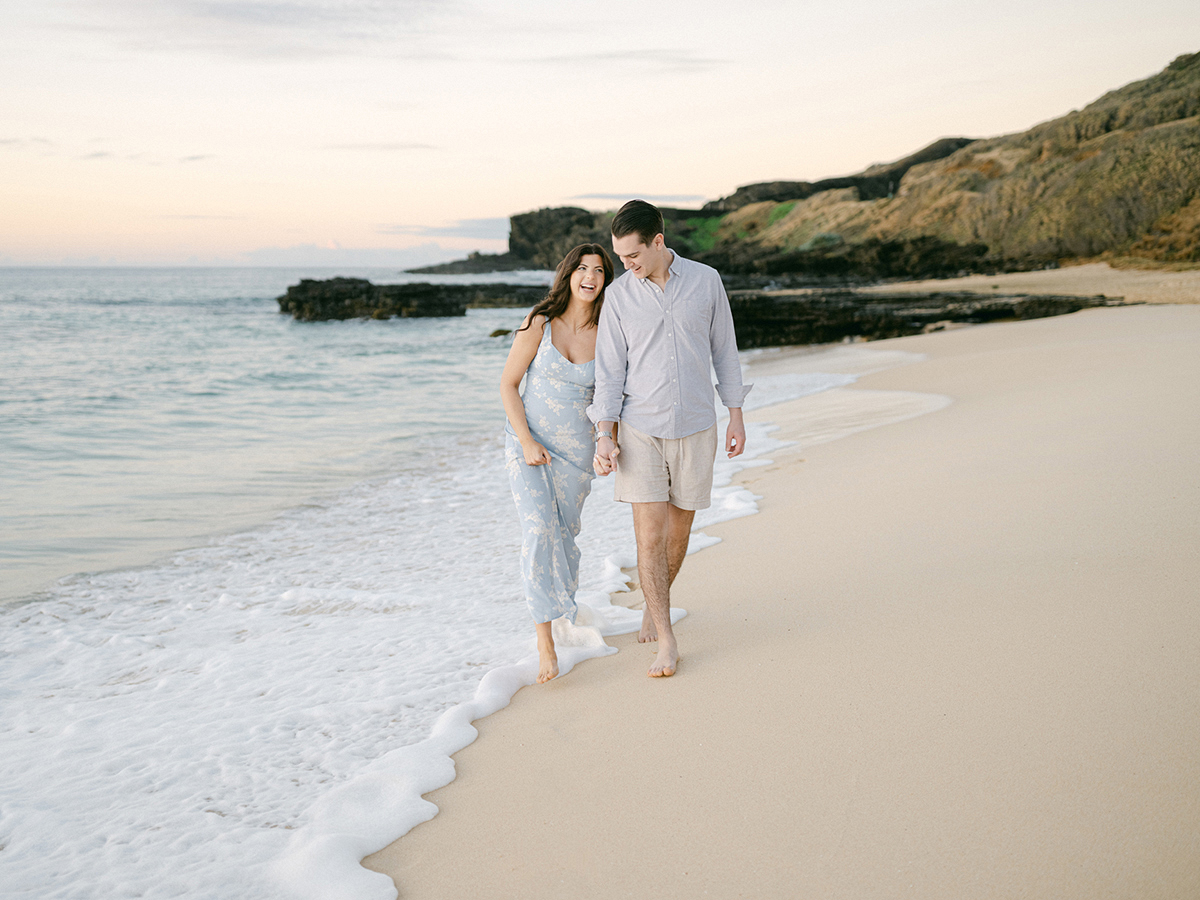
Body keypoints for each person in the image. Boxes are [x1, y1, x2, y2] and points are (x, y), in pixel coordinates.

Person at [590, 200, 750, 677]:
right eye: (620, 258)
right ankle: (667, 638)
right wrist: (605, 434)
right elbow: (609, 372)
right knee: (649, 535)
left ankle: (652, 605)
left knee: (679, 532)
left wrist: (736, 416)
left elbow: (726, 350)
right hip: (640, 429)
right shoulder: (620, 296)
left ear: (658, 242)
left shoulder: (707, 281)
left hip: (698, 425)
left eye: (632, 256)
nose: (626, 266)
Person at [501, 243, 615, 683]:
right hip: (527, 446)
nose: (590, 276)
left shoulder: (608, 331)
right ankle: (544, 641)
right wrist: (527, 441)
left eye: (600, 271)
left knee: (565, 537)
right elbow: (509, 385)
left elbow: (608, 398)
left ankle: (564, 611)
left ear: (606, 280)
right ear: (568, 274)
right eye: (582, 268)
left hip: (578, 454)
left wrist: (608, 443)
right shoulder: (539, 323)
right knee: (539, 530)